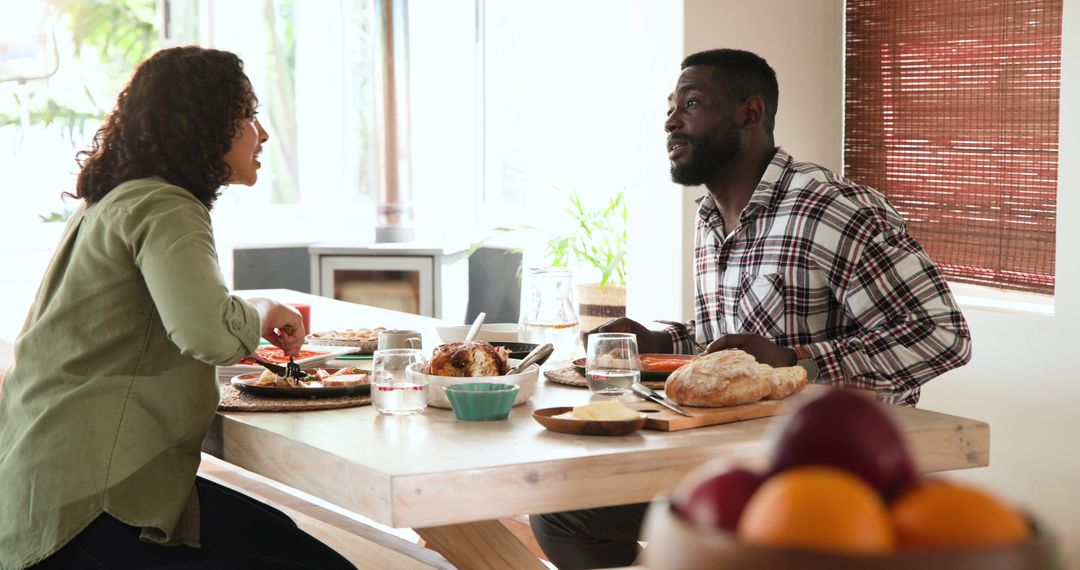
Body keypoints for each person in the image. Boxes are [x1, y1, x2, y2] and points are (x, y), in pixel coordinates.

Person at [530, 48, 972, 569]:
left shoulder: (832, 209)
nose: (671, 120)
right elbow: (729, 342)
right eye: (670, 106)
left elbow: (942, 335)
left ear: (750, 112)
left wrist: (795, 361)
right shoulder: (711, 219)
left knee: (567, 511)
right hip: (732, 458)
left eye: (691, 103)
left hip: (837, 475)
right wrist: (660, 343)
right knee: (562, 504)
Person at [0, 47, 356, 570]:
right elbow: (208, 335)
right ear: (209, 125)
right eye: (248, 117)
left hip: (44, 491)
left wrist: (258, 305)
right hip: (94, 507)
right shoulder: (166, 207)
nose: (262, 134)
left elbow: (187, 318)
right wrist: (255, 312)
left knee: (284, 537)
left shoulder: (115, 200)